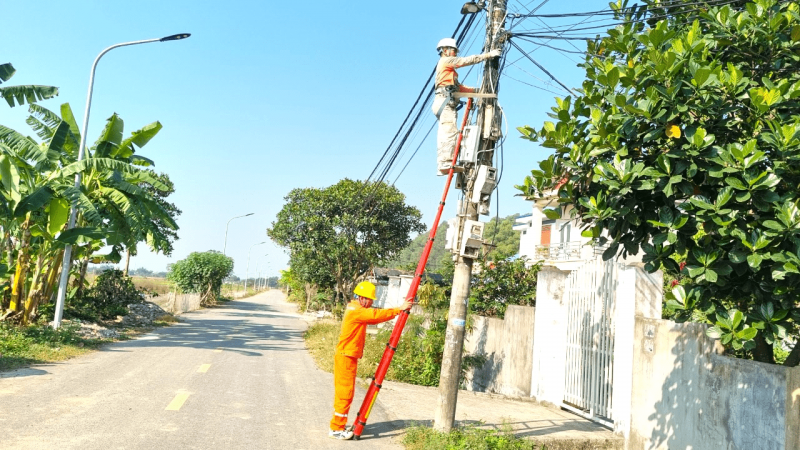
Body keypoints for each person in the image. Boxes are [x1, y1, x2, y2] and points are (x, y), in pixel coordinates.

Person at [328, 281, 413, 440]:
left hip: (348, 355)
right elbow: (375, 316)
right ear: (361, 298)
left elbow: (373, 316)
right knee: (345, 393)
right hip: (346, 356)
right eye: (370, 299)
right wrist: (399, 309)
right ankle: (336, 428)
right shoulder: (356, 311)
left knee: (347, 392)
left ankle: (338, 425)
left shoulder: (355, 308)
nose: (372, 302)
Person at [432, 38, 501, 175]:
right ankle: (445, 163)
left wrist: (478, 91)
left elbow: (460, 88)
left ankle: (447, 162)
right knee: (449, 132)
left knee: (450, 131)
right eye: (453, 51)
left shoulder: (449, 74)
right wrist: (488, 55)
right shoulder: (446, 61)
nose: (455, 54)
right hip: (444, 102)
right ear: (445, 50)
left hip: (445, 102)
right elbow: (464, 61)